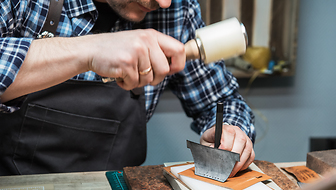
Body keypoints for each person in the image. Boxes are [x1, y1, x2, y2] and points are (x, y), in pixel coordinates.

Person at [0, 0, 255, 176]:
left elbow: (220, 99)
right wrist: (88, 50)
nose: (164, 2)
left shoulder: (177, 9)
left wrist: (231, 131)